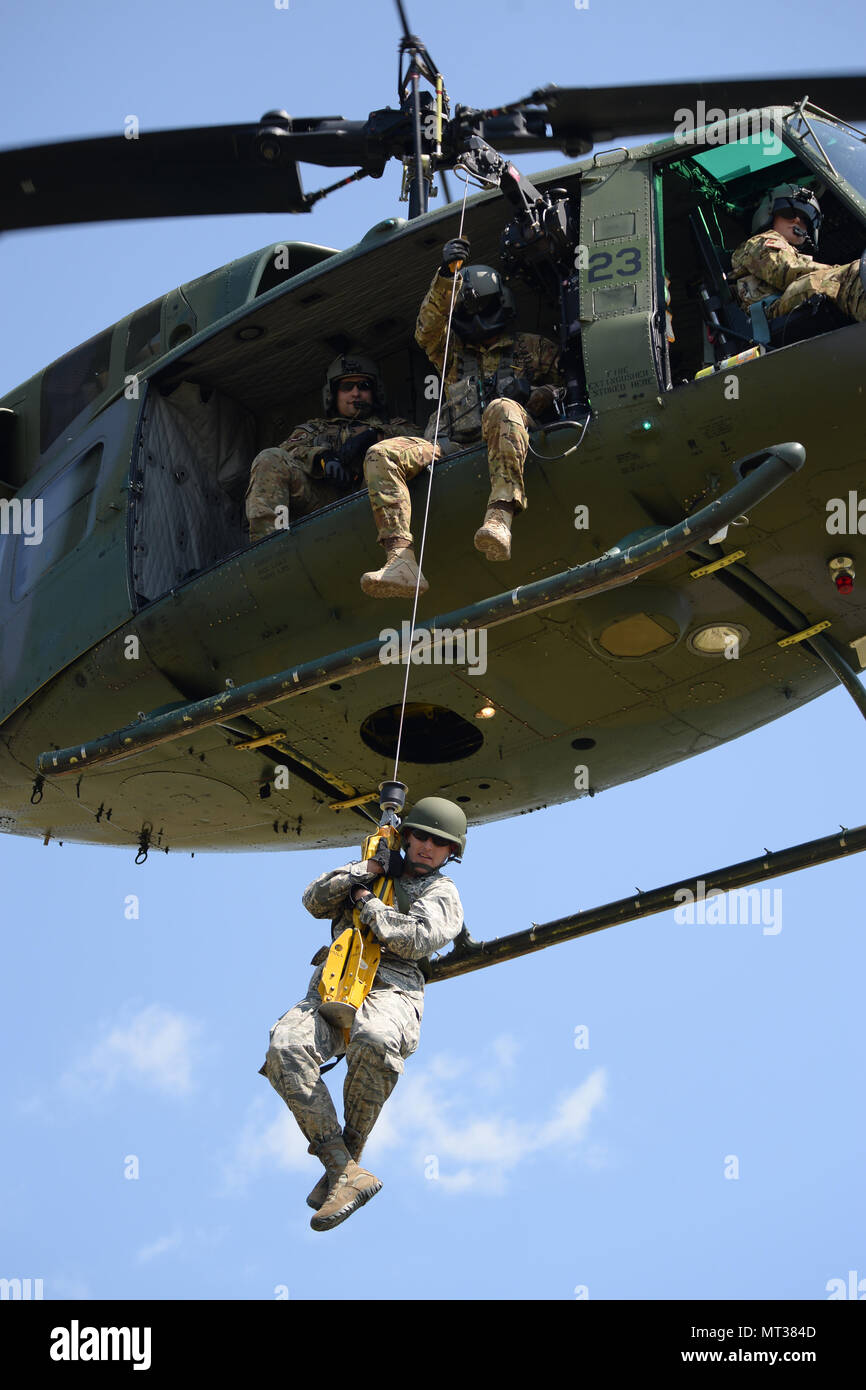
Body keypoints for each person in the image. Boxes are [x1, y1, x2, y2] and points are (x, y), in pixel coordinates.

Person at [260, 797, 467, 1232]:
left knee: (375, 1040)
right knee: (285, 1047)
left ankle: (345, 1161)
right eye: (421, 836)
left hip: (392, 988)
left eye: (439, 842)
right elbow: (313, 900)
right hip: (335, 984)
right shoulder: (371, 869)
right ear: (407, 836)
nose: (427, 846)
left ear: (452, 853)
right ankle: (345, 1170)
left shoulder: (440, 892)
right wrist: (367, 873)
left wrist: (367, 903)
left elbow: (414, 939)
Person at [359, 238, 562, 599]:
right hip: (449, 443)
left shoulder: (534, 348)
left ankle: (500, 517)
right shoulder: (451, 353)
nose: (478, 318)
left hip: (507, 434)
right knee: (381, 454)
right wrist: (445, 276)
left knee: (503, 408)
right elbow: (426, 330)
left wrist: (534, 395)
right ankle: (400, 558)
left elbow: (570, 391)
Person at [245, 354, 420, 542]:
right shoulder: (315, 428)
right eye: (347, 387)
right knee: (269, 458)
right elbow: (288, 450)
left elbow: (420, 441)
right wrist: (322, 457)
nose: (356, 393)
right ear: (332, 394)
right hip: (323, 498)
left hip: (371, 496)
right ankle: (270, 545)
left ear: (375, 392)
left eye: (364, 386)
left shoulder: (394, 426)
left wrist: (373, 436)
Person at [730, 183, 866, 327]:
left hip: (784, 302)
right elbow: (787, 271)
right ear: (769, 213)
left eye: (805, 218)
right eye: (788, 212)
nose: (796, 220)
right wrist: (841, 272)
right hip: (768, 311)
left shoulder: (790, 251)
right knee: (846, 275)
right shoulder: (760, 242)